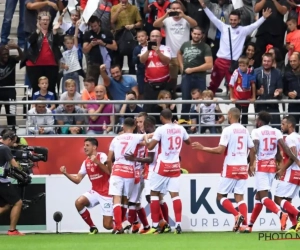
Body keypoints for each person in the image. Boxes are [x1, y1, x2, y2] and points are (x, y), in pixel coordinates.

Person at [192, 107, 256, 232]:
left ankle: (237, 215)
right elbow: (252, 149)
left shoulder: (227, 130)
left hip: (231, 167)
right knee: (240, 198)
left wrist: (202, 148)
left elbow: (220, 150)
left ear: (231, 115)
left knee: (220, 196)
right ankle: (245, 225)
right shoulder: (244, 130)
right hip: (243, 167)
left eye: (228, 115)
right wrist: (251, 165)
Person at [198, 0, 272, 94]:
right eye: (231, 20)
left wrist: (263, 18)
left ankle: (235, 108)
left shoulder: (243, 30)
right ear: (229, 19)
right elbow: (212, 18)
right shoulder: (223, 27)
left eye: (235, 20)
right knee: (213, 86)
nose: (233, 22)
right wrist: (205, 8)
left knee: (235, 87)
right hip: (219, 61)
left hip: (233, 63)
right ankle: (209, 107)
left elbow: (254, 25)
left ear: (239, 20)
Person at [247, 112, 300, 232]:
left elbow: (254, 148)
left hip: (262, 166)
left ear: (260, 121)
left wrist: (250, 164)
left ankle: (281, 214)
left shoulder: (256, 131)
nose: (256, 122)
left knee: (265, 197)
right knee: (258, 197)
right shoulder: (276, 131)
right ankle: (250, 225)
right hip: (272, 167)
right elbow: (281, 149)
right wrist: (294, 159)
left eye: (256, 120)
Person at [144, 109, 191, 234]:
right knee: (175, 195)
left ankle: (155, 226)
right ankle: (179, 225)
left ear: (161, 117)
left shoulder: (161, 130)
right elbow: (188, 142)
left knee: (153, 193)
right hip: (175, 165)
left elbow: (150, 147)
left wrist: (145, 139)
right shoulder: (180, 129)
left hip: (163, 165)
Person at [59, 137, 113, 234]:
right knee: (79, 202)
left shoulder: (102, 156)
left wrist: (97, 162)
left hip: (107, 193)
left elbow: (109, 172)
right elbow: (77, 180)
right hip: (95, 191)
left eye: (87, 145)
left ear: (94, 147)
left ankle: (122, 223)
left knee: (107, 226)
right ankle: (93, 227)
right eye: (84, 145)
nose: (84, 147)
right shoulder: (86, 162)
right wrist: (66, 173)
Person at [106, 117, 147, 234]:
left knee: (116, 199)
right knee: (125, 201)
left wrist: (111, 172)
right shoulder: (136, 137)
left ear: (123, 126)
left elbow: (109, 159)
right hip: (130, 172)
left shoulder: (116, 138)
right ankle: (122, 226)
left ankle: (118, 226)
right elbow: (149, 137)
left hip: (117, 170)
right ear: (134, 127)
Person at [177, 26, 213, 120]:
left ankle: (199, 126)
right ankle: (184, 126)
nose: (196, 36)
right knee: (185, 102)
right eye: (195, 34)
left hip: (199, 77)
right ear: (191, 33)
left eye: (198, 34)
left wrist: (192, 70)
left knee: (201, 102)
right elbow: (179, 53)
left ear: (202, 35)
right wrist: (181, 66)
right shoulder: (185, 44)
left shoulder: (205, 47)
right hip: (186, 77)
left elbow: (209, 65)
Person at [275, 115, 300, 233]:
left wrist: (282, 169)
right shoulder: (298, 137)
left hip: (292, 172)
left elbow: (292, 155)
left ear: (290, 125)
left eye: (283, 124)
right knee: (288, 200)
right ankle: (295, 225)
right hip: (298, 172)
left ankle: (298, 214)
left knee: (277, 198)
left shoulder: (289, 138)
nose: (281, 126)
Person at [0, 131, 24, 236]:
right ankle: (12, 230)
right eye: (13, 142)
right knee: (18, 203)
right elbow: (15, 165)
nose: (13, 145)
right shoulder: (5, 148)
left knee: (5, 206)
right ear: (9, 140)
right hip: (2, 181)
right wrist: (22, 167)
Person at [0, 43, 23, 128]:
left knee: (11, 113)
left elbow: (21, 57)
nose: (6, 56)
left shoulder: (12, 60)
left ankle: (12, 130)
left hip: (10, 90)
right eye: (3, 54)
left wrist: (17, 48)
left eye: (7, 54)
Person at [229, 56, 256, 126]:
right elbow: (231, 85)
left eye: (243, 66)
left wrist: (253, 97)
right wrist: (232, 97)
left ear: (247, 65)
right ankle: (237, 128)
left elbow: (253, 84)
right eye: (240, 65)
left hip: (246, 98)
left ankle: (244, 129)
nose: (241, 67)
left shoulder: (251, 72)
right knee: (237, 114)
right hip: (237, 98)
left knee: (245, 114)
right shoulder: (236, 72)